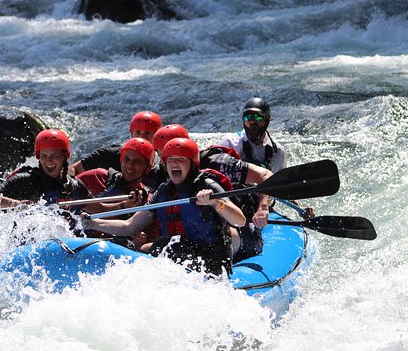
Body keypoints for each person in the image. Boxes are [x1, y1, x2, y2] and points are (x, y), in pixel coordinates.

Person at [83, 138, 246, 276]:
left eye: (180, 159)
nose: (174, 163)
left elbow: (240, 221)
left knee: (171, 247)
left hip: (211, 260)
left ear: (192, 163)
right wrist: (93, 223)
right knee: (164, 245)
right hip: (180, 258)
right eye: (170, 160)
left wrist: (217, 203)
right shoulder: (163, 192)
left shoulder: (207, 185)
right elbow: (129, 226)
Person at [154, 124, 273, 261]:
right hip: (191, 236)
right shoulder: (167, 173)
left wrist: (263, 207)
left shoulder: (218, 162)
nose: (171, 162)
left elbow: (265, 175)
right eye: (164, 155)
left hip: (239, 225)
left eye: (178, 154)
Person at [0, 128, 92, 218]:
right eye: (44, 156)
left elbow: (102, 208)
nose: (49, 161)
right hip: (30, 245)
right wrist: (15, 204)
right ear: (38, 157)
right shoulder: (25, 180)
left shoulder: (75, 186)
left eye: (55, 156)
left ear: (65, 156)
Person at [68, 111, 162, 177]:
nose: (141, 137)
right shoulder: (110, 154)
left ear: (156, 137)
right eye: (137, 133)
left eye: (147, 134)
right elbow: (74, 170)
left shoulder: (162, 164)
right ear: (131, 134)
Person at [220, 97, 287, 173]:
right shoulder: (230, 143)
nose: (252, 121)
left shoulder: (278, 152)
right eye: (247, 117)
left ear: (267, 119)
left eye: (257, 117)